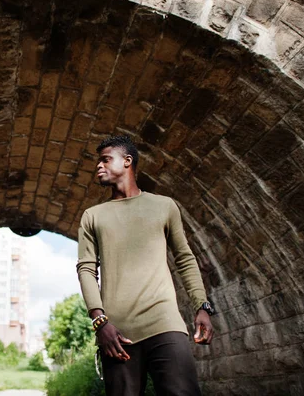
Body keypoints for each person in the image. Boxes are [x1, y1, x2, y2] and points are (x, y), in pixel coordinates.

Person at [76, 135, 215, 396]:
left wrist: (202, 305)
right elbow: (86, 269)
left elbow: (185, 258)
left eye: (105, 159)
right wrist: (100, 323)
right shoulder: (92, 216)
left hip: (165, 324)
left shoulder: (164, 206)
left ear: (127, 161)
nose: (98, 166)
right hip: (117, 335)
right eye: (98, 161)